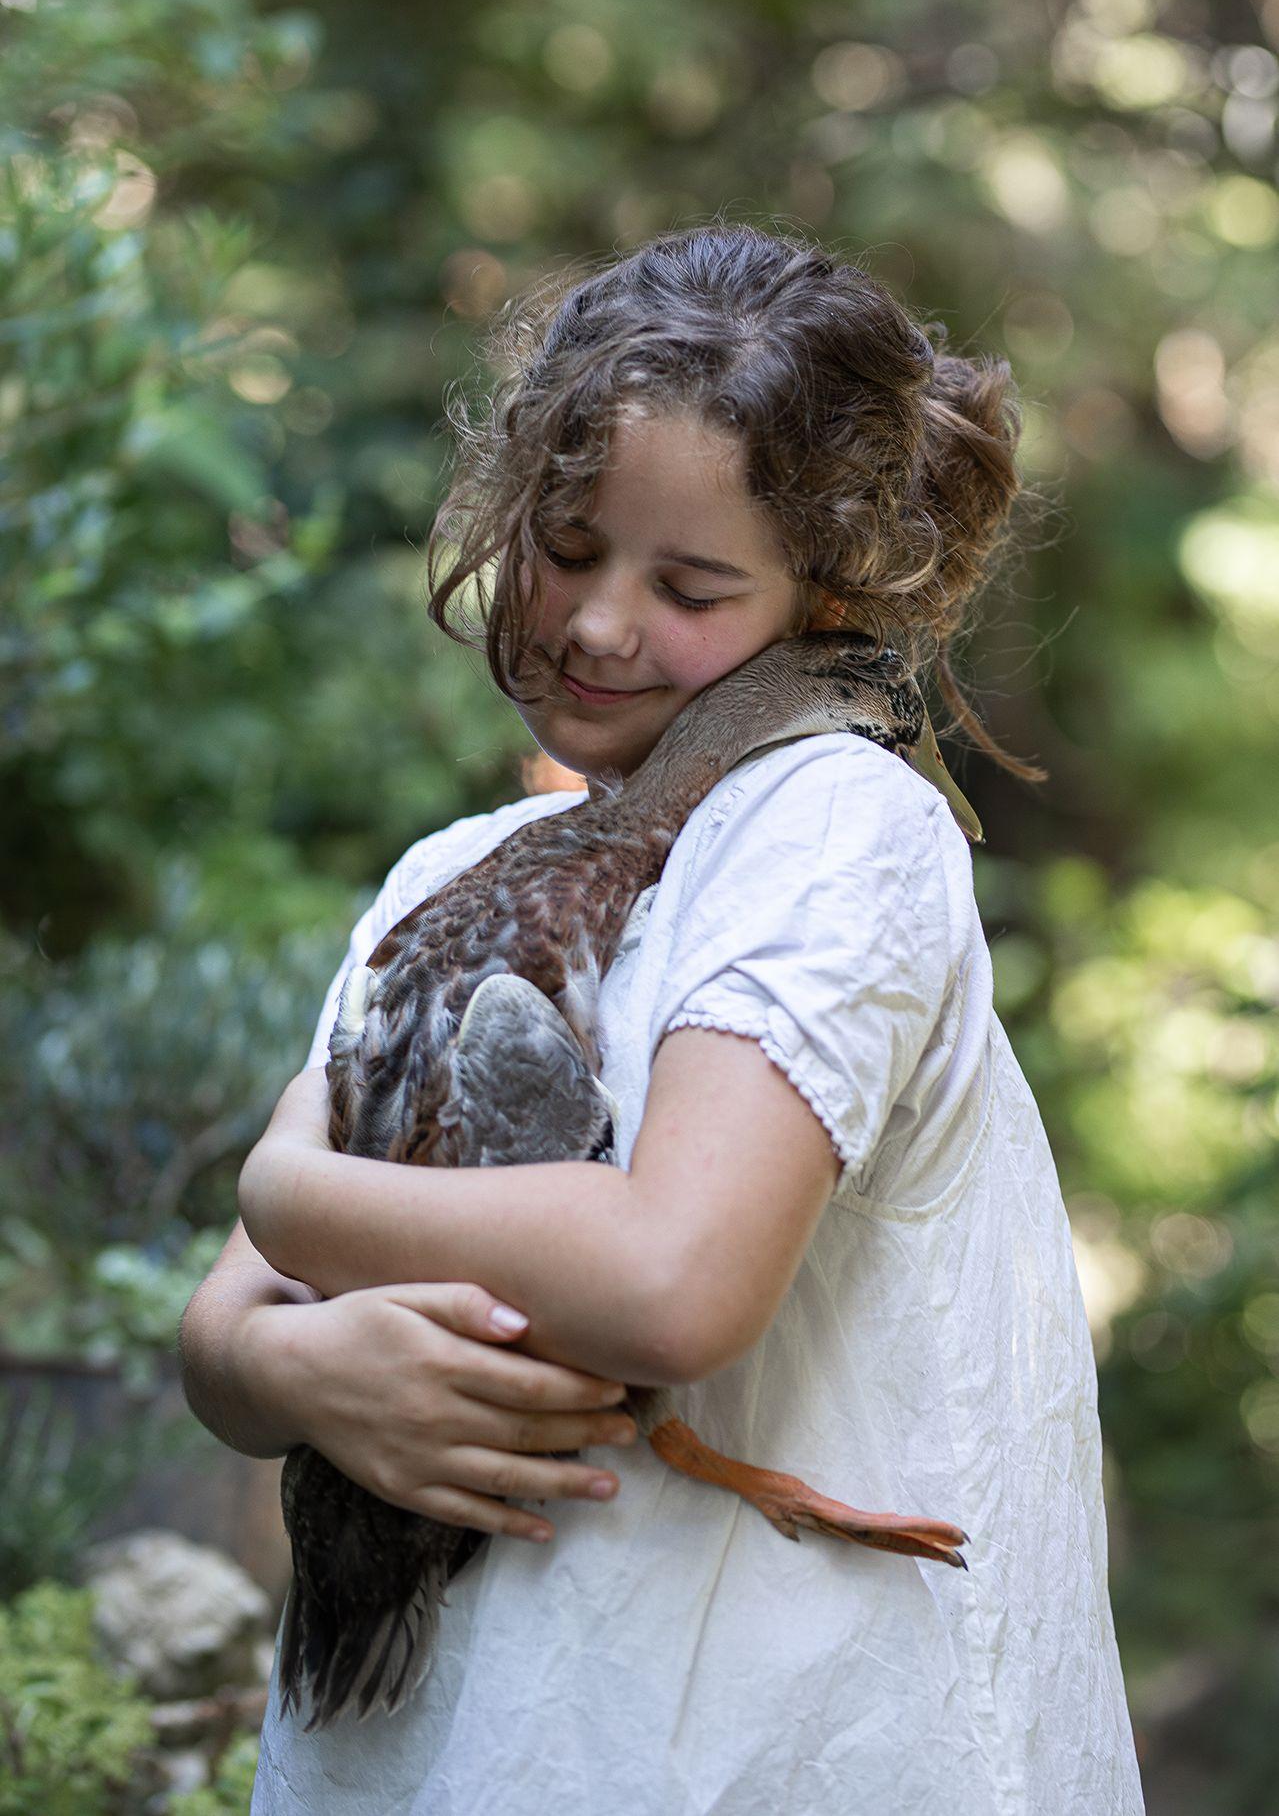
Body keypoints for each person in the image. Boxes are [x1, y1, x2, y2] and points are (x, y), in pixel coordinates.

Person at [179, 222, 1145, 1814]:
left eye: (690, 584)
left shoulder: (833, 825)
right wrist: (306, 1377)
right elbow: (226, 1337)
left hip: (758, 1739)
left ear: (824, 592)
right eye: (566, 546)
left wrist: (285, 1190)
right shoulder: (460, 869)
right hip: (444, 1746)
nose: (602, 621)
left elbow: (677, 1279)